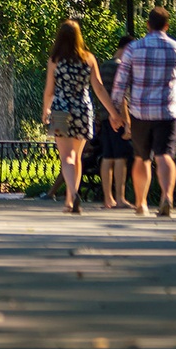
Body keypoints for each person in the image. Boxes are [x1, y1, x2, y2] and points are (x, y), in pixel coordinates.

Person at [112, 7, 176, 217]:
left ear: (147, 25)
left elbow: (121, 82)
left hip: (140, 112)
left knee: (141, 158)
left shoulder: (134, 49)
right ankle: (167, 196)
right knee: (165, 155)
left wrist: (116, 111)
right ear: (167, 26)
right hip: (168, 111)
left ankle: (141, 203)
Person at [41, 19, 112, 215]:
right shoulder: (88, 58)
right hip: (82, 108)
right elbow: (98, 87)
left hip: (60, 108)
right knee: (77, 157)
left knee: (66, 157)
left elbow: (49, 91)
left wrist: (45, 111)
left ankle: (72, 194)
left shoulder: (55, 60)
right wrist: (113, 112)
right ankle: (71, 200)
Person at [96, 36, 135, 209]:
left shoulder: (104, 65)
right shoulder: (121, 66)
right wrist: (127, 121)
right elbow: (122, 97)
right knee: (121, 157)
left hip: (104, 116)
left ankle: (108, 198)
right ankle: (120, 198)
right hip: (117, 117)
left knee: (107, 156)